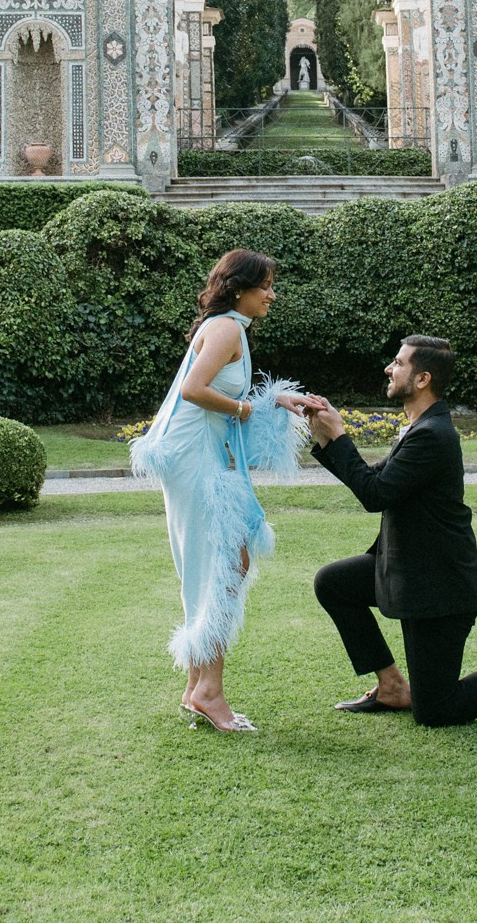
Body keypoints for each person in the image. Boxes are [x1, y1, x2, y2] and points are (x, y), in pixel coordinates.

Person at [304, 336, 477, 726]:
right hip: (409, 571)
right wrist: (328, 438)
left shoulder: (433, 435)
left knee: (435, 710)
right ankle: (392, 686)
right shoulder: (422, 428)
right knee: (334, 583)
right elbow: (377, 480)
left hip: (440, 588)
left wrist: (340, 436)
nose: (389, 369)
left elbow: (375, 494)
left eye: (398, 363)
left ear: (422, 379)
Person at [129, 249, 318, 731]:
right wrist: (245, 410)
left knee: (216, 563)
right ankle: (208, 691)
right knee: (223, 563)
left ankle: (198, 687)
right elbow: (194, 390)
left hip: (200, 456)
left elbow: (219, 393)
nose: (272, 295)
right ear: (238, 289)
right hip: (194, 458)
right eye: (266, 286)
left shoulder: (229, 328)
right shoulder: (227, 329)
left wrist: (273, 399)